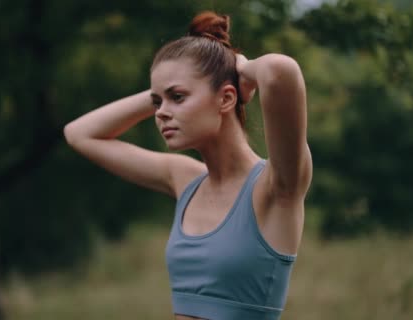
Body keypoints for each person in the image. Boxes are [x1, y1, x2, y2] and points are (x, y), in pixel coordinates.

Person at [64, 10, 312, 320]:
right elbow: (79, 134)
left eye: (177, 97)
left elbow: (279, 70)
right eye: (158, 103)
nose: (160, 113)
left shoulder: (277, 187)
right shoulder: (185, 179)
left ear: (226, 99)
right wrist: (163, 90)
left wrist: (243, 71)